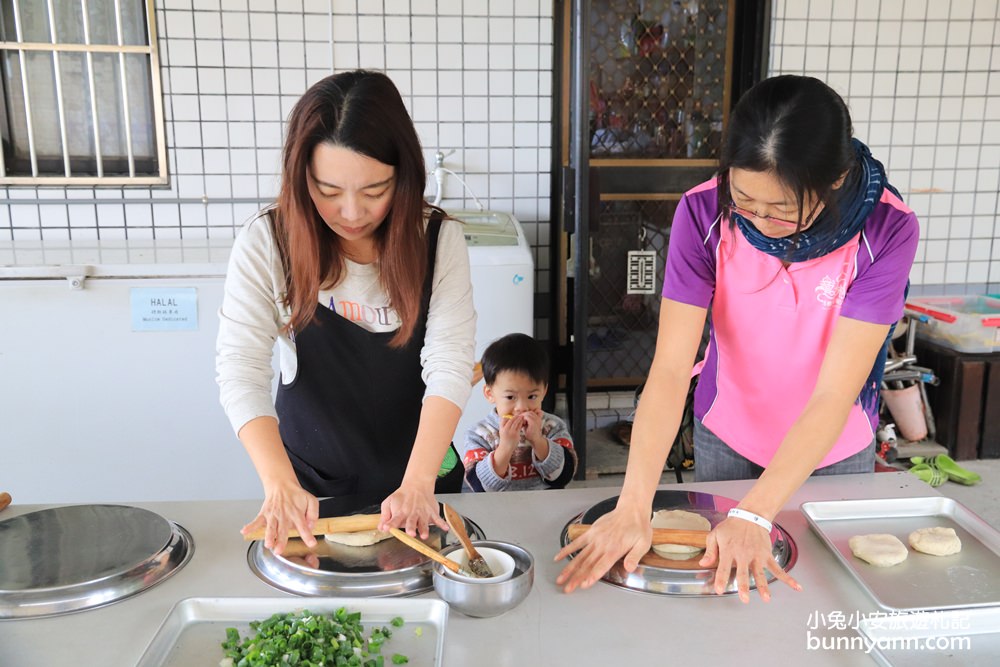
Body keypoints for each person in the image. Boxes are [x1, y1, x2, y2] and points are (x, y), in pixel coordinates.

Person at [556, 75, 919, 602]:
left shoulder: (887, 229)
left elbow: (834, 393)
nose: (759, 222)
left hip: (833, 447)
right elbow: (670, 368)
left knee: (818, 597)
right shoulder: (703, 210)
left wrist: (756, 510)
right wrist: (632, 504)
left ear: (836, 179)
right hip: (728, 429)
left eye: (782, 209)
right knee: (722, 596)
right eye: (744, 199)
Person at [216, 70, 476, 556]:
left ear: (403, 175)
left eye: (375, 191)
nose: (352, 213)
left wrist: (418, 482)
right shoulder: (268, 241)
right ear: (301, 177)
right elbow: (240, 369)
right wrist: (278, 484)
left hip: (418, 477)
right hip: (312, 486)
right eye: (329, 191)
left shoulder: (437, 240)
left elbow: (449, 364)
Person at [463, 333, 576, 491]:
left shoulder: (552, 426)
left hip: (547, 506)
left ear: (544, 391)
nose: (522, 407)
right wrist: (505, 448)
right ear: (490, 394)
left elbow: (564, 476)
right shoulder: (479, 434)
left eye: (532, 396)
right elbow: (479, 487)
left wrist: (538, 440)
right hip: (498, 509)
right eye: (510, 397)